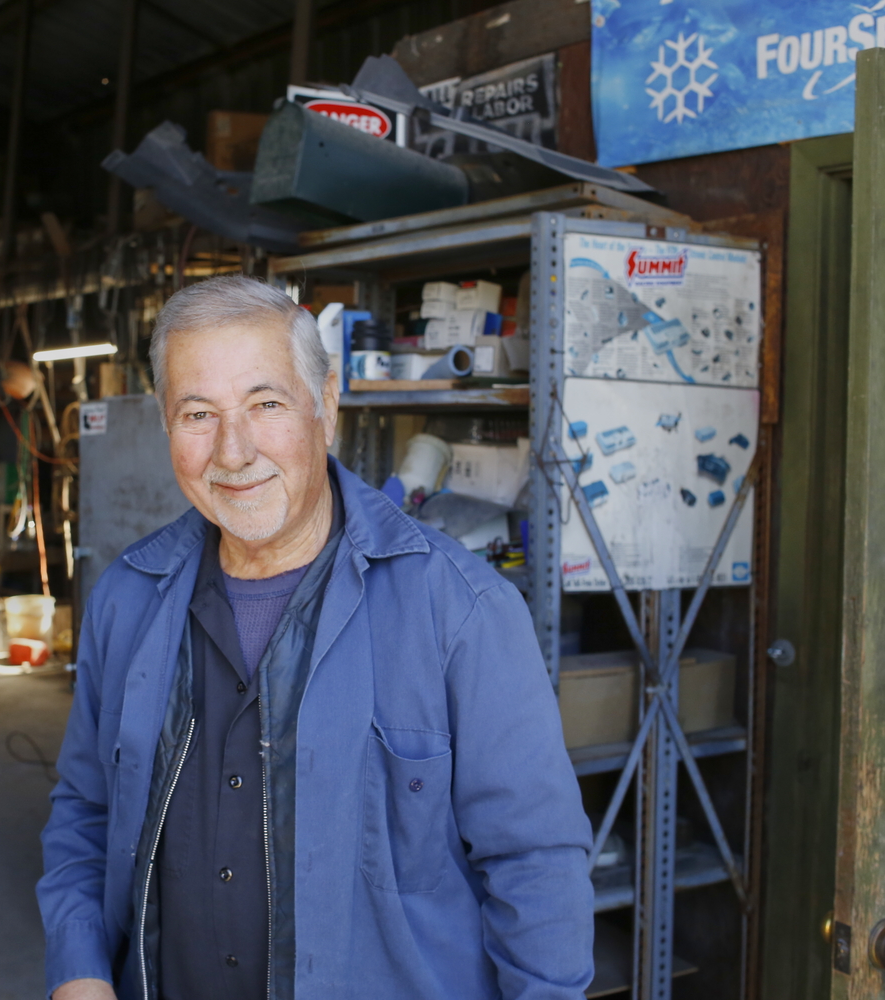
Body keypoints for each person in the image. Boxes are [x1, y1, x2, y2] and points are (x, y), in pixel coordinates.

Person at [37, 275, 593, 1000]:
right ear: (166, 427)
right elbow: (85, 808)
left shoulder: (461, 611)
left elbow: (536, 863)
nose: (232, 451)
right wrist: (78, 971)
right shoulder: (127, 601)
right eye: (198, 413)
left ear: (325, 407)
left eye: (266, 404)